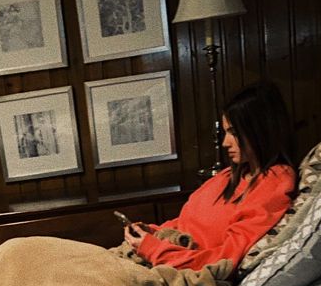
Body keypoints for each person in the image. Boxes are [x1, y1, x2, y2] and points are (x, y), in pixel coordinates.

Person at [122, 80, 296, 272]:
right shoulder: (229, 175)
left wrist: (152, 248)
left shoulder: (274, 182)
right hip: (163, 252)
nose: (225, 143)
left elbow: (226, 258)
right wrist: (150, 232)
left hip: (176, 266)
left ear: (260, 131)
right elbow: (185, 224)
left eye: (234, 133)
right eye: (225, 132)